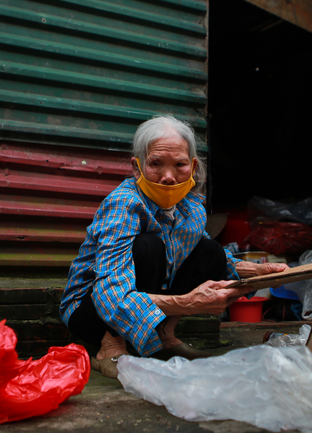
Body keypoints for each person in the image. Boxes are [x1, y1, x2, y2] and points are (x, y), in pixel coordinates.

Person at [59, 115, 288, 378]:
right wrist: (189, 303)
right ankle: (110, 346)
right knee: (148, 247)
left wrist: (255, 271)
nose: (168, 177)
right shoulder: (124, 204)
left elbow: (214, 259)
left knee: (209, 250)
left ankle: (165, 336)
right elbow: (111, 294)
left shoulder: (191, 207)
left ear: (192, 166)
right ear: (137, 168)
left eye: (179, 165)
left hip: (137, 304)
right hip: (91, 312)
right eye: (156, 164)